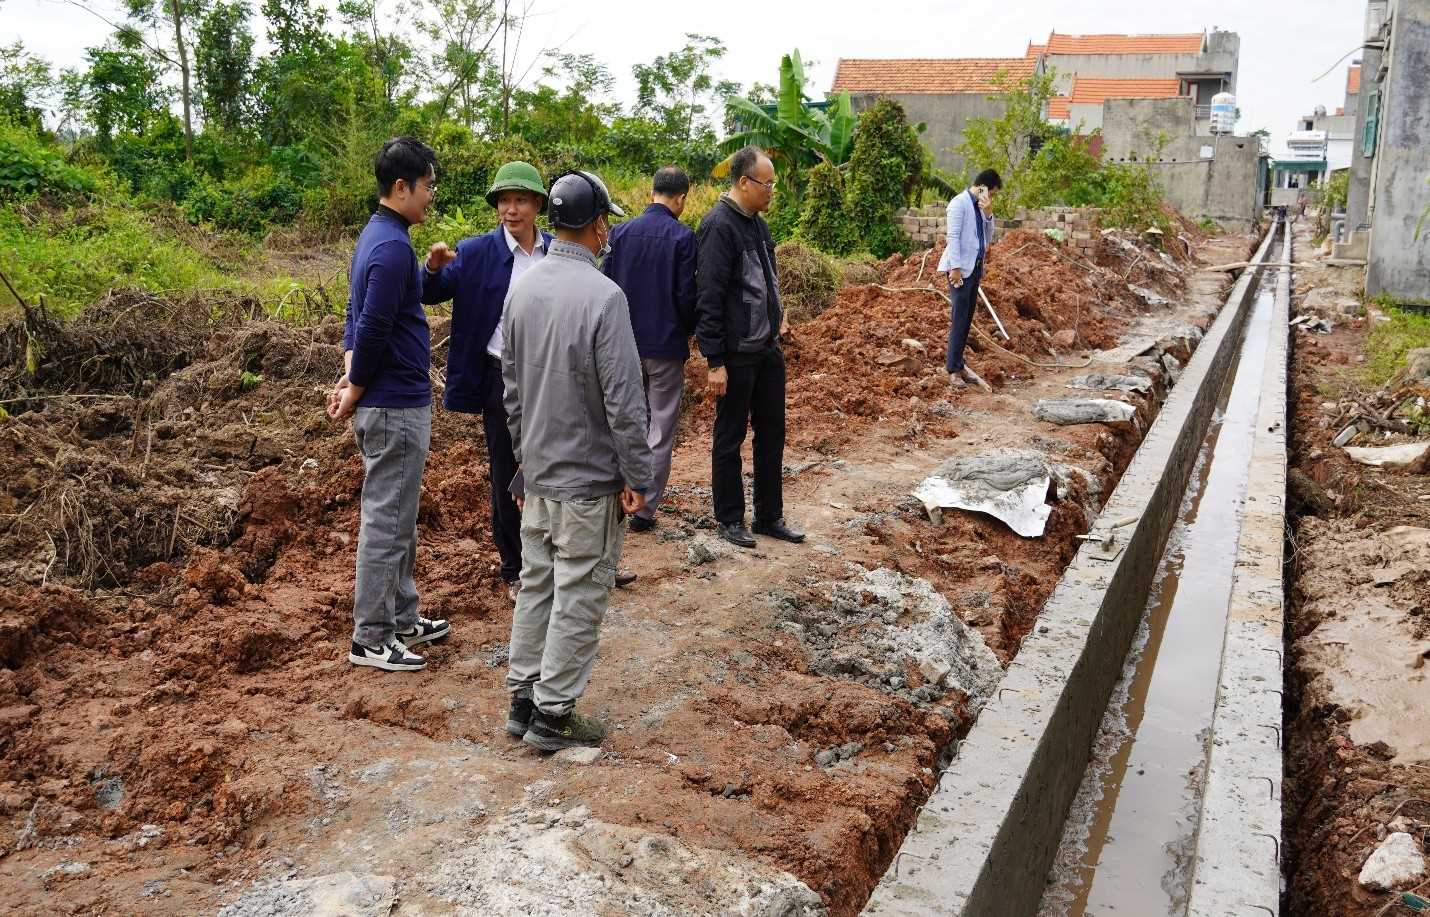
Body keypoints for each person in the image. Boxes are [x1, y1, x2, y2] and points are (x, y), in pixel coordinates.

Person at [500, 170, 653, 751]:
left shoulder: (522, 290)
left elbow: (512, 391)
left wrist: (524, 463)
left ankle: (523, 699)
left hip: (539, 475)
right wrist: (637, 474)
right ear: (598, 226)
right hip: (588, 481)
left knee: (537, 585)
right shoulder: (605, 297)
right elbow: (624, 401)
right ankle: (553, 715)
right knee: (579, 591)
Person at [329, 137, 450, 673]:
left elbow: (358, 312)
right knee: (386, 520)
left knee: (399, 516)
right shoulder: (391, 246)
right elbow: (373, 326)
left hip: (390, 399)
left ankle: (402, 615)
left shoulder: (380, 238)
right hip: (393, 404)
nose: (431, 195)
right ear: (401, 187)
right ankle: (372, 636)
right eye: (427, 186)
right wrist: (355, 386)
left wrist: (350, 373)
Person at [422, 161, 551, 602]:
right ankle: (514, 567)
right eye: (504, 201)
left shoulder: (555, 252)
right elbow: (431, 291)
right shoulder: (476, 252)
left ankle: (564, 557)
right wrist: (432, 269)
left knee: (558, 462)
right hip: (502, 376)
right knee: (507, 470)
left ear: (538, 205)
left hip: (551, 376)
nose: (510, 210)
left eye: (520, 200)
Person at [695, 146, 803, 550]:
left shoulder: (757, 224)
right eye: (767, 183)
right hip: (736, 353)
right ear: (744, 182)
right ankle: (729, 518)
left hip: (767, 349)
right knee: (730, 435)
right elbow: (708, 296)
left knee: (772, 433)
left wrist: (779, 318)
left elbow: (767, 280)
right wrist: (714, 361)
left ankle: (768, 516)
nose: (771, 190)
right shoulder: (718, 226)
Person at [600, 165, 697, 534]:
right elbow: (687, 296)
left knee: (621, 422)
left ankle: (613, 499)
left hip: (621, 345)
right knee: (660, 427)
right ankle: (644, 508)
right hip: (665, 347)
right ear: (681, 199)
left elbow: (604, 285)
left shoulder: (620, 233)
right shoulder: (683, 237)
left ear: (652, 192)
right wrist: (688, 330)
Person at [938, 168, 1001, 393]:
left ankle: (959, 364)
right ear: (983, 187)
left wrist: (989, 214)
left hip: (975, 269)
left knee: (966, 320)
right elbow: (953, 237)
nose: (991, 197)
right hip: (960, 270)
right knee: (959, 319)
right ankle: (953, 370)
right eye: (991, 193)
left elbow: (988, 238)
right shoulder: (959, 204)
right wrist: (954, 268)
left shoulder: (980, 207)